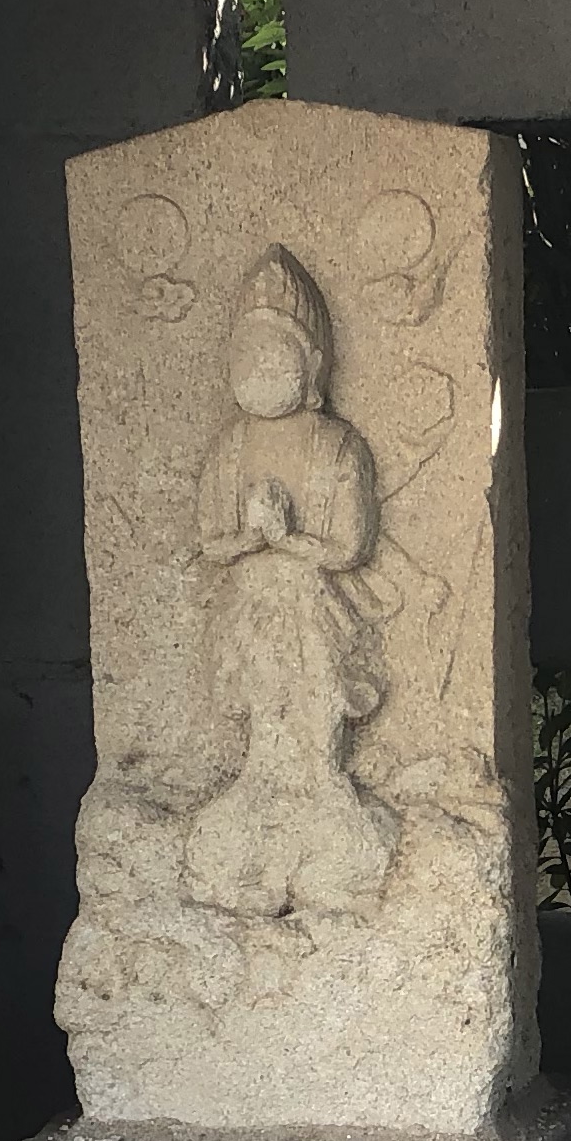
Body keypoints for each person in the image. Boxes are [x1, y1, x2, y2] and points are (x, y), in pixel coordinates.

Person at [181, 247, 398, 917]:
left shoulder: (336, 445)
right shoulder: (229, 448)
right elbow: (211, 542)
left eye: (277, 358)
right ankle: (261, 787)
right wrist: (253, 538)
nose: (261, 371)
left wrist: (289, 539)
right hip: (251, 599)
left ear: (313, 367)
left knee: (313, 681)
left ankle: (320, 786)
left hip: (313, 598)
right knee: (260, 686)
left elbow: (350, 547)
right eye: (247, 358)